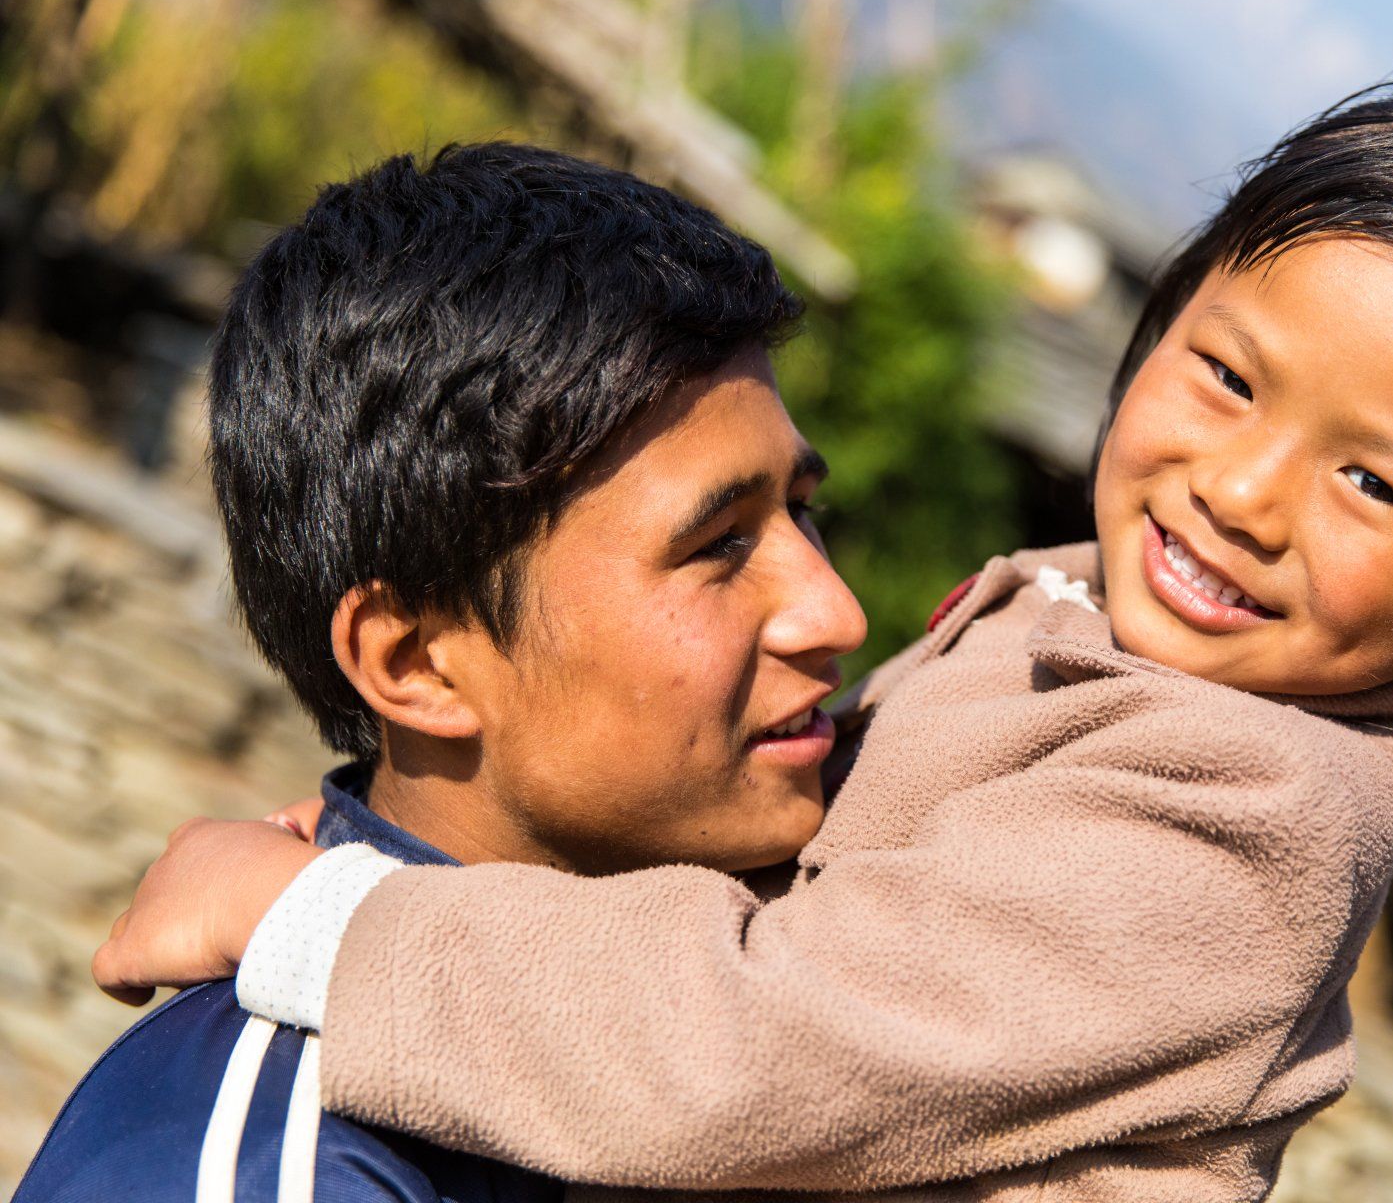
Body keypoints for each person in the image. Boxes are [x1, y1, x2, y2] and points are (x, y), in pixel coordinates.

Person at [92, 82, 1393, 1203]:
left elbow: (758, 1041)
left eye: (1372, 481)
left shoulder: (1229, 819)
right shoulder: (1086, 624)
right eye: (1225, 378)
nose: (1242, 491)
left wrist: (334, 918)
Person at [16, 143, 865, 1201]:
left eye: (803, 512)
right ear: (417, 663)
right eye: (717, 546)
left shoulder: (744, 1014)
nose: (836, 610)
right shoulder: (299, 1160)